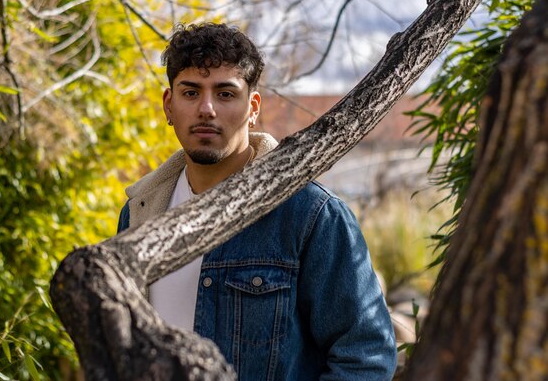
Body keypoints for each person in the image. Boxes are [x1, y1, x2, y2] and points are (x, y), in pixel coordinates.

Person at [117, 22, 397, 380]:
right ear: (168, 106)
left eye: (225, 93)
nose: (206, 109)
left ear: (253, 107)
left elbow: (366, 357)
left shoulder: (310, 215)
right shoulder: (139, 213)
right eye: (190, 93)